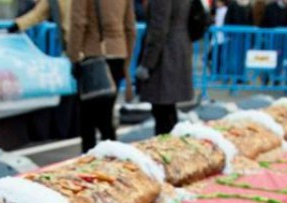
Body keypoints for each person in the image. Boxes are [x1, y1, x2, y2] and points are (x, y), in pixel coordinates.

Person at [68, 0, 136, 151]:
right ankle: (113, 160)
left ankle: (89, 164)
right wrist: (125, 59)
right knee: (107, 118)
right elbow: (131, 28)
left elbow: (78, 22)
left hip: (93, 54)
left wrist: (73, 56)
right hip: (118, 53)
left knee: (88, 121)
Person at [137, 0, 194, 135]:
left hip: (165, 57)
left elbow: (158, 30)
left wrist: (147, 64)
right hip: (177, 50)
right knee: (168, 113)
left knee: (162, 114)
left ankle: (166, 152)